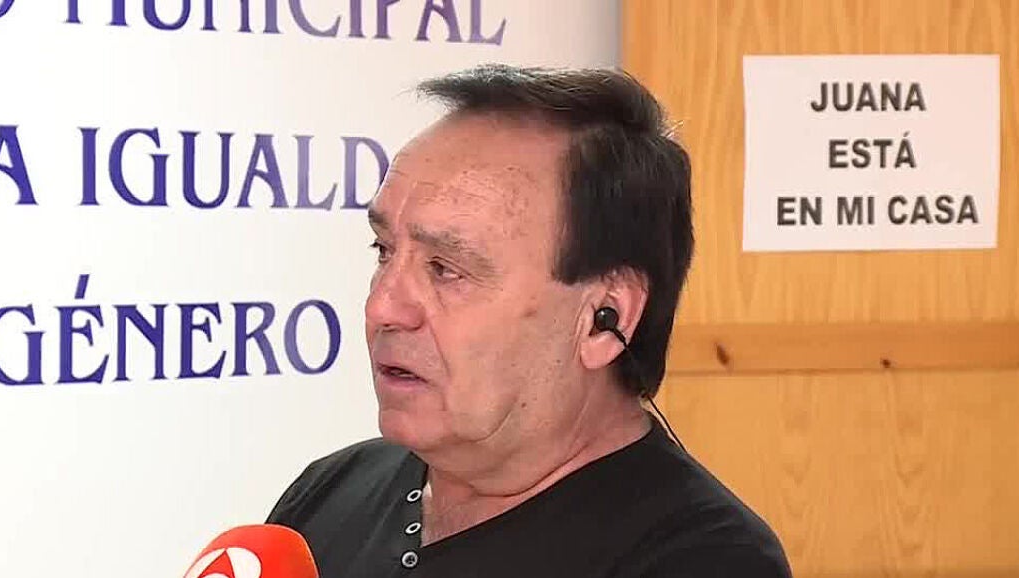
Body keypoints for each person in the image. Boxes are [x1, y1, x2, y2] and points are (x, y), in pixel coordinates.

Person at [266, 64, 791, 578]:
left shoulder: (703, 559)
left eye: (446, 269)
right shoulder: (330, 492)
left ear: (603, 319)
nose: (382, 307)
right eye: (383, 250)